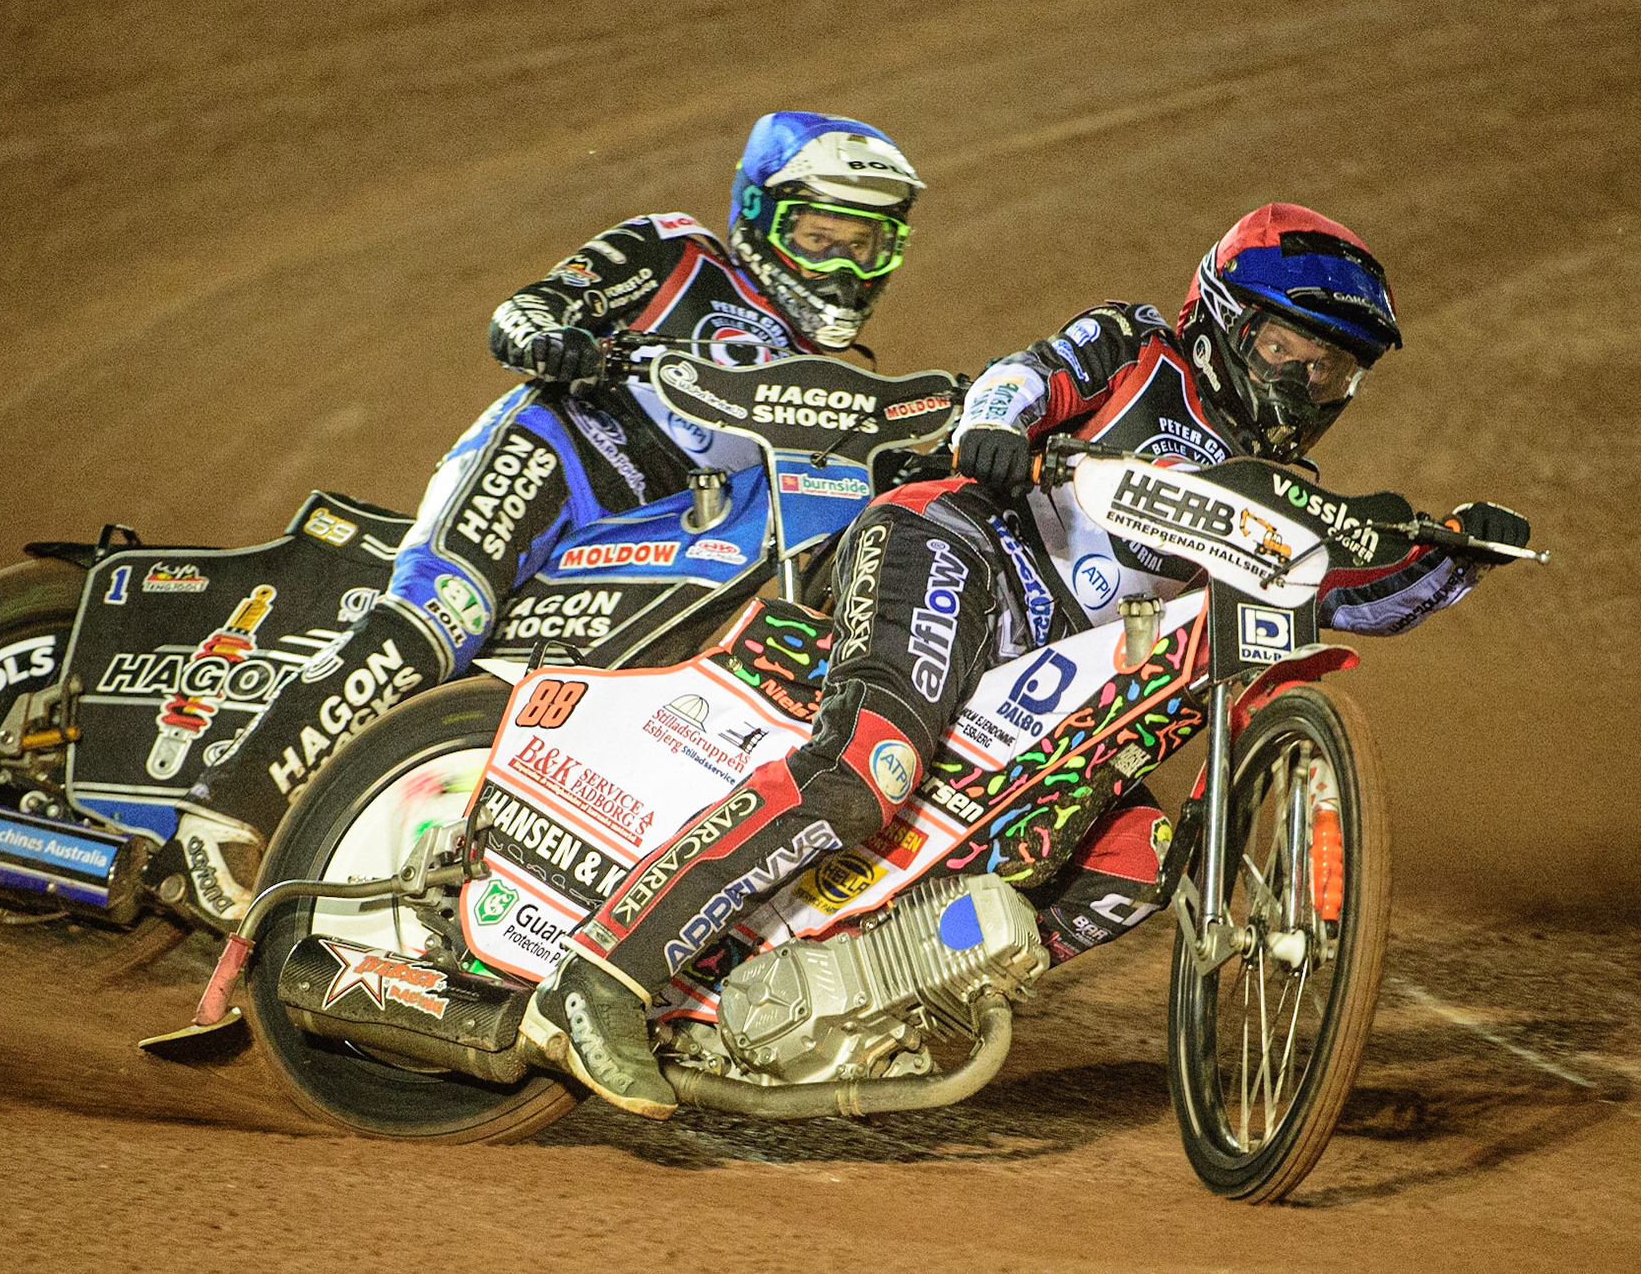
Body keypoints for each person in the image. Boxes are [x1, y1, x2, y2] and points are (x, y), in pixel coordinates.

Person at [520, 203, 1532, 1119]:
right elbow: (1023, 375)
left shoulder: (1279, 495)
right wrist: (997, 430)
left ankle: (879, 986)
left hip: (1064, 663)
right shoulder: (1140, 349)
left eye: (1336, 370)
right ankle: (601, 976)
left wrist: (1455, 557)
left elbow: (1355, 592)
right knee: (870, 765)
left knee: (1137, 861)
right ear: (1225, 317)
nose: (1309, 385)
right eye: (1290, 349)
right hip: (958, 543)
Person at [167, 111, 925, 927]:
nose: (844, 267)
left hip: (661, 531)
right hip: (557, 455)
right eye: (819, 237)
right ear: (756, 215)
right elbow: (527, 309)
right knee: (436, 617)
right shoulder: (675, 252)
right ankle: (226, 810)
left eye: (867, 245)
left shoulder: (830, 378)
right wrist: (552, 337)